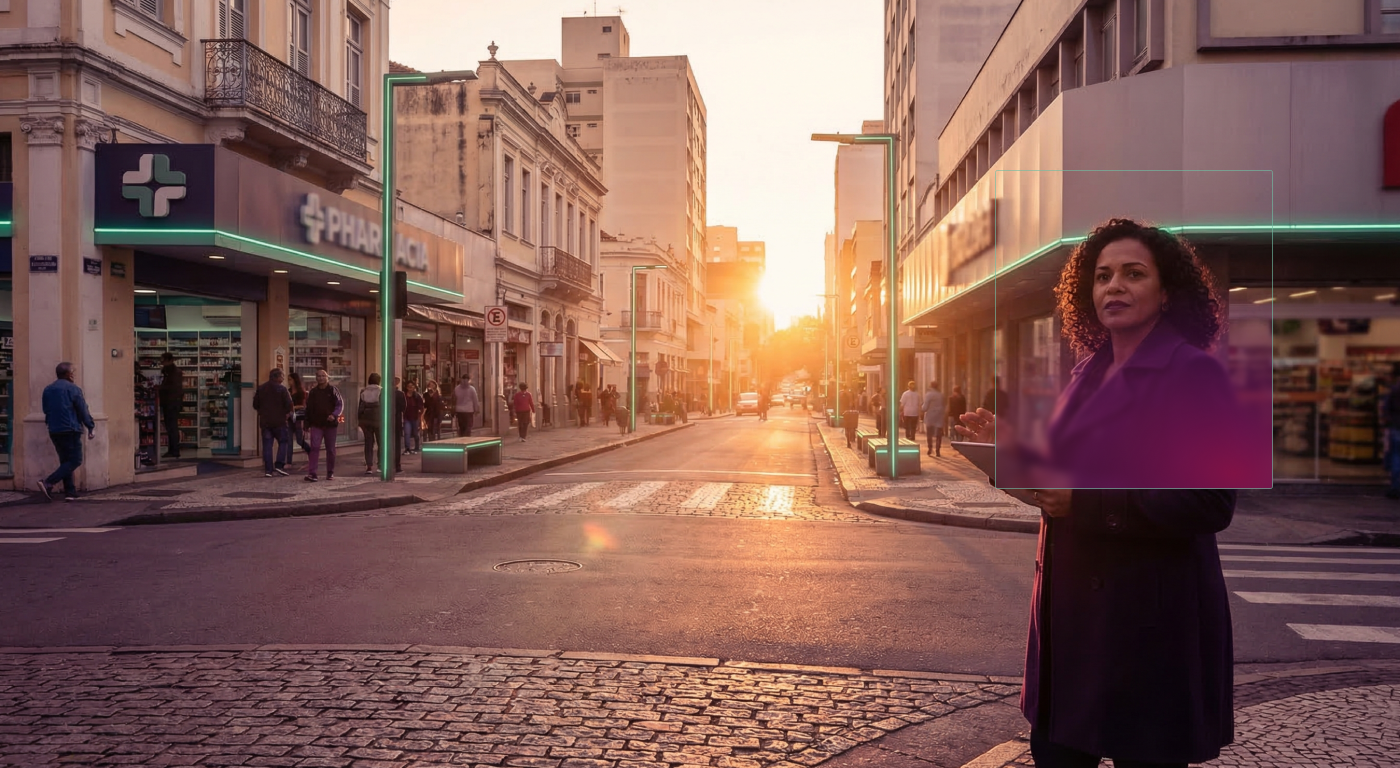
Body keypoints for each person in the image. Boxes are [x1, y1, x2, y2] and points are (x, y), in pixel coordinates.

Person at [955, 217, 1246, 768]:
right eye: (1103, 275)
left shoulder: (1196, 375)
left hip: (1148, 632)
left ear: (1166, 292)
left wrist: (1085, 503)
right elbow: (1063, 478)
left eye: (1134, 274)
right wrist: (1011, 455)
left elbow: (1211, 502)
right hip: (1071, 633)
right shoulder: (1088, 371)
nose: (1114, 286)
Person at [36, 362, 95, 502]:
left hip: (54, 429)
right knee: (75, 460)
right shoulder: (73, 389)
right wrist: (90, 426)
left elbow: (46, 409)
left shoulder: (48, 389)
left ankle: (70, 492)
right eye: (73, 371)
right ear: (68, 374)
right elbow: (82, 410)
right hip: (70, 429)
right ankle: (48, 482)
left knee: (65, 461)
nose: (74, 374)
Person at [303, 369, 343, 482]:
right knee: (314, 448)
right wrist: (307, 423)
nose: (320, 378)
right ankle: (312, 473)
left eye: (323, 376)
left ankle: (330, 472)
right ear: (316, 378)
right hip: (316, 424)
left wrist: (334, 415)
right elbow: (309, 409)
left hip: (330, 425)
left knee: (330, 449)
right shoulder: (313, 392)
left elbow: (340, 405)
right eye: (318, 376)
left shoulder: (333, 390)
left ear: (327, 377)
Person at [252, 368, 293, 477]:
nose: (283, 378)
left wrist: (262, 412)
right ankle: (279, 465)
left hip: (265, 421)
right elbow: (289, 404)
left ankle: (268, 470)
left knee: (267, 445)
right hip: (280, 421)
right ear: (277, 377)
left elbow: (255, 404)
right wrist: (286, 413)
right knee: (283, 442)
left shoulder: (261, 388)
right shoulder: (282, 389)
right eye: (282, 376)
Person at [158, 351, 183, 459]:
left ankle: (175, 450)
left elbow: (172, 388)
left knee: (172, 427)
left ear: (169, 360)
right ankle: (172, 450)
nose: (162, 363)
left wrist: (159, 387)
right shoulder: (167, 371)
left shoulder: (175, 372)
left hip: (172, 403)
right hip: (168, 402)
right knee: (170, 427)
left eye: (163, 360)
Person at [358, 374, 384, 475]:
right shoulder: (381, 391)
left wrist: (359, 420)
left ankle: (369, 466)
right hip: (379, 419)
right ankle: (380, 465)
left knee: (368, 443)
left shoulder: (363, 391)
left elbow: (360, 407)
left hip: (366, 420)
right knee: (381, 443)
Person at [287, 372, 312, 464]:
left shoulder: (301, 392)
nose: (289, 381)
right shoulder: (288, 391)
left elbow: (302, 406)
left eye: (290, 379)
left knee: (299, 440)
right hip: (289, 418)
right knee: (288, 441)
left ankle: (310, 451)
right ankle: (288, 462)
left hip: (298, 418)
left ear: (295, 380)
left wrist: (293, 407)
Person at [922, 381, 946, 458]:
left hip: (930, 416)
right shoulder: (941, 395)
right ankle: (938, 450)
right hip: (939, 416)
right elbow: (944, 405)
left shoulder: (928, 395)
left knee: (929, 434)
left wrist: (922, 409)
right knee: (939, 434)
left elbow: (925, 407)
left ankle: (930, 448)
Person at [402, 380, 424, 454]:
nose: (410, 388)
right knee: (407, 433)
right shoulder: (404, 395)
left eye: (412, 386)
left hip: (415, 417)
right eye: (409, 386)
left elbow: (421, 406)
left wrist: (419, 413)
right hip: (406, 417)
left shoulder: (417, 396)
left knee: (415, 433)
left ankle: (417, 447)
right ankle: (407, 448)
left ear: (414, 387)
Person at [392, 377, 406, 473]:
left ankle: (384, 464)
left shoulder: (383, 392)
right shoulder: (400, 394)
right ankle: (397, 465)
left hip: (386, 421)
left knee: (386, 443)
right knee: (397, 443)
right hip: (396, 420)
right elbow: (403, 407)